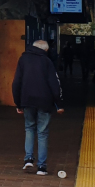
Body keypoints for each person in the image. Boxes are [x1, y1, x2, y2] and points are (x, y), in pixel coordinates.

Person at [13, 40, 65, 175]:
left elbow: (16, 82)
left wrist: (18, 103)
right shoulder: (46, 62)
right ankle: (41, 167)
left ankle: (28, 159)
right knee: (42, 133)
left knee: (29, 128)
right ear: (46, 50)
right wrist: (59, 104)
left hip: (27, 101)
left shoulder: (23, 59)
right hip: (44, 102)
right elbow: (55, 84)